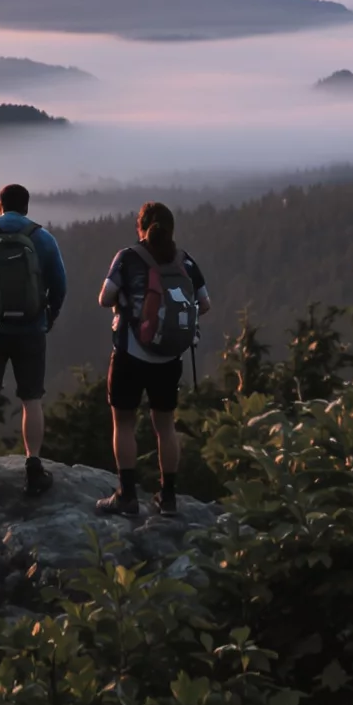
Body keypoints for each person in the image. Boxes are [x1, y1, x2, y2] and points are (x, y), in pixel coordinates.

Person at [96, 200, 209, 517]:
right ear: (171, 229)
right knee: (166, 426)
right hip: (170, 357)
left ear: (140, 228)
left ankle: (127, 496)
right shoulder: (185, 262)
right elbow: (205, 303)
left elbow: (104, 298)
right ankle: (169, 497)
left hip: (131, 354)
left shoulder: (128, 258)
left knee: (125, 422)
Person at [0, 183, 66, 496]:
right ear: (27, 207)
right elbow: (59, 285)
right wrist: (49, 316)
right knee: (31, 398)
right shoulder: (43, 238)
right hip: (32, 329)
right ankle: (33, 468)